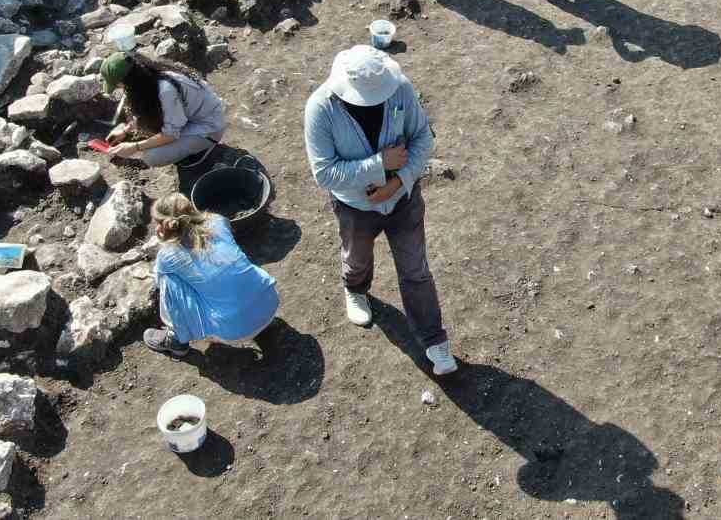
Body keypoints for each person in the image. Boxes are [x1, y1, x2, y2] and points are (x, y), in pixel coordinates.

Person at [303, 46, 457, 376]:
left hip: (404, 200)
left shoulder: (400, 88)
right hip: (355, 207)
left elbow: (422, 138)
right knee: (357, 258)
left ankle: (434, 339)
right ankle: (355, 290)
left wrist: (398, 182)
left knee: (416, 269)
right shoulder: (320, 108)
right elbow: (324, 174)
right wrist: (379, 165)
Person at [143, 193, 282, 357]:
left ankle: (176, 339)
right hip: (269, 302)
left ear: (163, 226)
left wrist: (163, 242)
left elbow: (159, 281)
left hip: (236, 331)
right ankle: (259, 320)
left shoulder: (168, 254)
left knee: (168, 280)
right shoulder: (218, 221)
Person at [101, 51, 226, 168]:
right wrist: (125, 130)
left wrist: (135, 146)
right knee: (151, 126)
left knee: (151, 157)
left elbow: (170, 135)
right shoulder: (148, 77)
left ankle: (202, 148)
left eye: (118, 85)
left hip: (209, 128)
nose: (120, 88)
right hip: (191, 116)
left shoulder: (166, 90)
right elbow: (150, 110)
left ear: (129, 80)